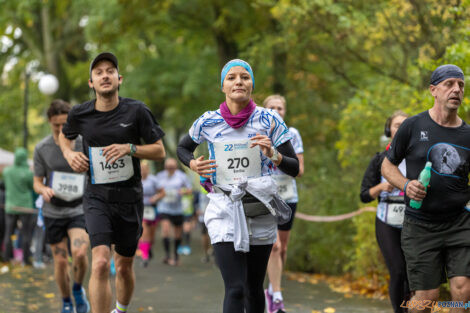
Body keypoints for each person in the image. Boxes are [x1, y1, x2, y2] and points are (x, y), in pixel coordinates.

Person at [177, 59, 299, 313]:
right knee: (235, 288)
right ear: (223, 85)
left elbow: (294, 167)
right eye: (231, 77)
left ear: (252, 84)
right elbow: (182, 147)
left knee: (253, 286)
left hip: (259, 209)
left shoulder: (269, 120)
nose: (238, 82)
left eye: (244, 77)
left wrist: (273, 154)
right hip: (224, 207)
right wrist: (192, 164)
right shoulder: (208, 121)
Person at [59, 52, 166, 313]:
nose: (104, 75)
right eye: (98, 72)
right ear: (91, 83)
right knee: (99, 263)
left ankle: (121, 309)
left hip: (130, 198)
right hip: (97, 197)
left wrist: (130, 148)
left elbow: (159, 151)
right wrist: (70, 153)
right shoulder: (80, 114)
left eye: (110, 71)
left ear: (119, 79)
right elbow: (65, 136)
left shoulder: (137, 111)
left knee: (124, 267)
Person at [382, 64, 470, 313]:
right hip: (420, 224)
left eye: (461, 85)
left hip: (460, 222)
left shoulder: (467, 135)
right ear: (434, 90)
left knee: (462, 293)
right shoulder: (412, 126)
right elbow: (387, 167)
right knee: (426, 298)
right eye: (449, 84)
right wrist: (407, 185)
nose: (456, 90)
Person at [33, 99, 91, 313]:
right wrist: (43, 189)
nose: (60, 129)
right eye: (56, 125)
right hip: (53, 211)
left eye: (64, 124)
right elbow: (37, 181)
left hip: (79, 208)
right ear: (49, 122)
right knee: (59, 262)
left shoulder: (85, 142)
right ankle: (66, 301)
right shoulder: (42, 148)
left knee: (80, 253)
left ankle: (77, 288)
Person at [360, 111, 409, 313]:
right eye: (397, 125)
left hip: (413, 221)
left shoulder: (418, 158)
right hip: (386, 220)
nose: (400, 129)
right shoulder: (379, 159)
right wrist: (380, 188)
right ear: (389, 130)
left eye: (405, 125)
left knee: (411, 274)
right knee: (397, 271)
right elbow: (364, 195)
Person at [262, 94, 304, 313]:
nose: (277, 111)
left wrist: (277, 157)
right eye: (272, 108)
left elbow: (300, 170)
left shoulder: (292, 134)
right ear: (265, 110)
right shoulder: (258, 133)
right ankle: (277, 296)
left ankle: (271, 287)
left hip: (288, 196)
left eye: (280, 108)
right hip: (266, 197)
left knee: (283, 248)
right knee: (274, 246)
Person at [155, 157, 192, 265]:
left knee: (177, 234)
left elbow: (189, 189)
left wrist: (183, 192)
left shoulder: (182, 176)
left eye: (172, 167)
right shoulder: (160, 176)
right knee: (165, 229)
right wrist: (158, 195)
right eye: (168, 167)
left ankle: (175, 256)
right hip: (164, 207)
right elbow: (155, 189)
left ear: (175, 167)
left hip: (177, 208)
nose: (170, 169)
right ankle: (167, 255)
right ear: (165, 167)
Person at [2, 147, 36, 266]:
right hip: (25, 207)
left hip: (10, 206)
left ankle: (6, 258)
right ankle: (26, 260)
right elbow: (32, 186)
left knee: (8, 233)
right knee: (26, 233)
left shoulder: (7, 171)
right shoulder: (28, 173)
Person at [138, 161, 163, 267]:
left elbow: (162, 192)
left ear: (148, 169)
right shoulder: (136, 180)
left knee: (152, 236)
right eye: (141, 168)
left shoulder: (153, 180)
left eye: (145, 168)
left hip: (152, 209)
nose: (143, 170)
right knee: (144, 232)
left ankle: (148, 248)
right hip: (141, 209)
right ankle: (145, 256)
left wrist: (155, 197)